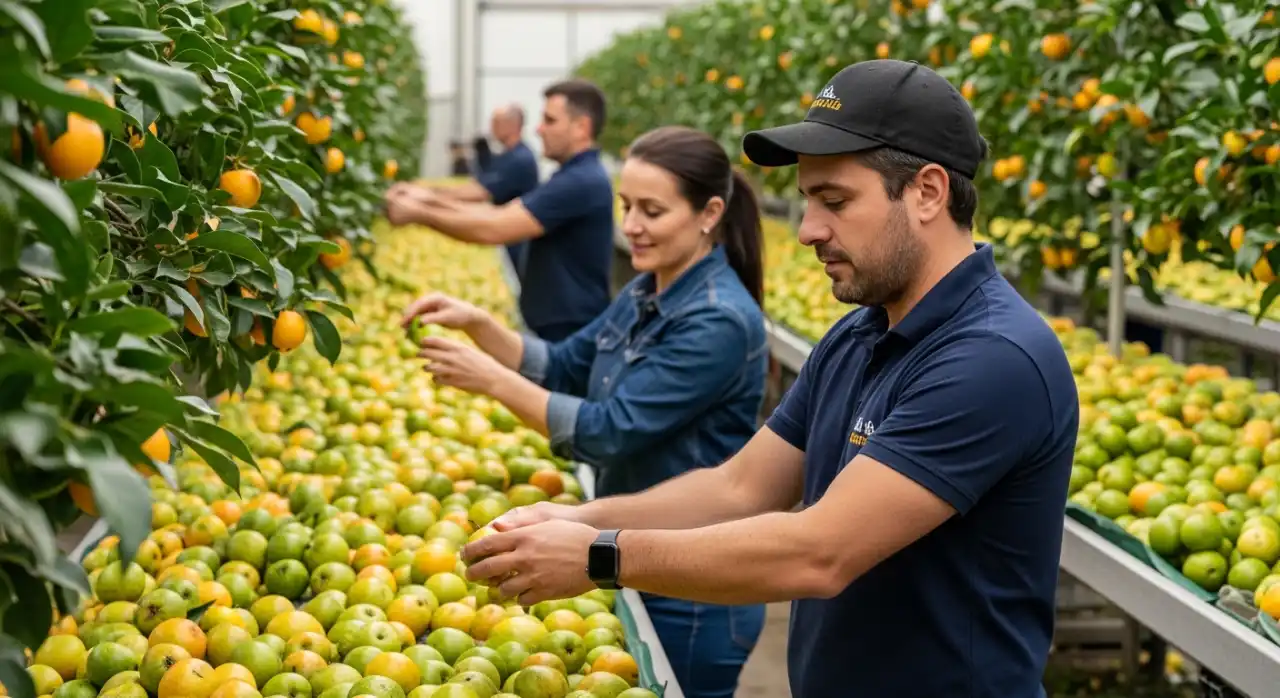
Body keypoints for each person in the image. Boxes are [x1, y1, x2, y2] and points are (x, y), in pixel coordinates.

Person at [459, 59, 1080, 698]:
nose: (809, 230)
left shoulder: (991, 357)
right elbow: (738, 487)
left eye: (834, 201)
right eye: (808, 201)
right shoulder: (859, 333)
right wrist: (577, 519)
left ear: (927, 192)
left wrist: (600, 557)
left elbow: (819, 550)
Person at [401, 125, 770, 698]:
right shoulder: (648, 290)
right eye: (626, 206)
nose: (631, 227)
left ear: (709, 212)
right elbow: (567, 363)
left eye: (652, 210)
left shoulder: (716, 320)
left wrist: (493, 382)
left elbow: (608, 432)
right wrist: (480, 323)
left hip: (692, 588)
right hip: (631, 544)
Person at [386, 80, 614, 342]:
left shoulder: (580, 182)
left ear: (581, 127)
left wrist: (420, 212)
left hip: (568, 331)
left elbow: (493, 226)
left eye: (550, 121)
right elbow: (496, 213)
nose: (539, 130)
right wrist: (424, 201)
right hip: (560, 325)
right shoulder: (571, 176)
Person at [405, 105, 542, 278]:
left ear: (513, 125)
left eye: (496, 122)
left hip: (516, 244)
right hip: (507, 239)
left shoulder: (520, 159)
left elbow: (479, 193)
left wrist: (424, 200)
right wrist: (427, 191)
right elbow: (476, 185)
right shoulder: (506, 156)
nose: (491, 127)